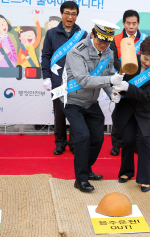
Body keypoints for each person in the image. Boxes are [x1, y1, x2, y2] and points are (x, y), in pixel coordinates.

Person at [61, 19, 122, 192]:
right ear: (93, 35)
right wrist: (110, 80)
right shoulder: (77, 51)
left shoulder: (108, 52)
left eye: (107, 41)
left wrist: (113, 94)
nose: (103, 44)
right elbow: (84, 80)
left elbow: (110, 74)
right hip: (72, 100)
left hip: (91, 102)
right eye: (100, 40)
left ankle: (86, 169)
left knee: (98, 138)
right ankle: (80, 180)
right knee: (83, 137)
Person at [112, 36, 150, 192]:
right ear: (140, 52)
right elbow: (118, 81)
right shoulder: (129, 61)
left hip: (146, 110)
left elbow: (146, 95)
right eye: (145, 58)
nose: (147, 63)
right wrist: (116, 90)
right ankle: (126, 172)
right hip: (127, 107)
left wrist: (127, 87)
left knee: (144, 142)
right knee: (127, 140)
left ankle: (144, 179)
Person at [41, 1, 87, 155]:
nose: (70, 16)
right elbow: (46, 56)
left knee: (75, 114)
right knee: (59, 114)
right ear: (61, 14)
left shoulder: (83, 35)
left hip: (76, 82)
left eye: (73, 14)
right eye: (67, 13)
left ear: (77, 16)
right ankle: (60, 143)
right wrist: (46, 76)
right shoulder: (51, 33)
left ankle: (74, 144)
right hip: (57, 81)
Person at [109, 9, 146, 156]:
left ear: (138, 24)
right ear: (123, 23)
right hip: (121, 80)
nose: (131, 26)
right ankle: (116, 144)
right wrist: (123, 71)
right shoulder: (115, 39)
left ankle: (136, 143)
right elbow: (112, 60)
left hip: (139, 82)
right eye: (128, 23)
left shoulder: (145, 39)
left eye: (134, 23)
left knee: (137, 114)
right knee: (119, 115)